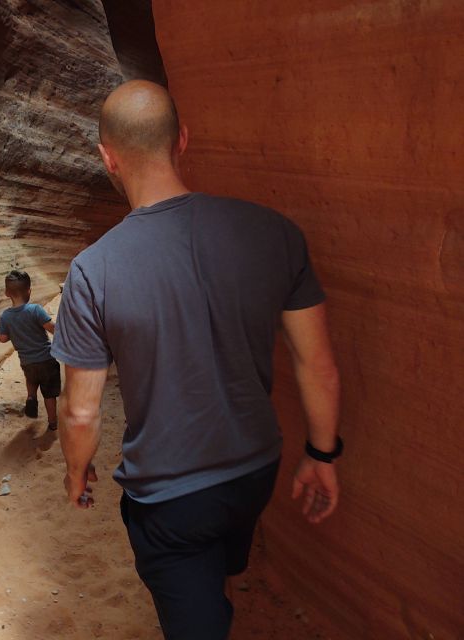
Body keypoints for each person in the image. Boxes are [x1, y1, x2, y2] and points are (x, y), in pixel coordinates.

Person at [50, 80, 342, 640]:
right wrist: (322, 454)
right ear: (182, 140)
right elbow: (317, 364)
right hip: (256, 470)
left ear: (107, 158)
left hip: (169, 498)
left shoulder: (92, 271)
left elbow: (81, 414)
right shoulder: (274, 233)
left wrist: (76, 470)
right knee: (221, 573)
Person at [0, 270, 61, 431]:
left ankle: (31, 396)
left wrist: (15, 331)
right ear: (29, 291)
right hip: (46, 359)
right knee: (49, 393)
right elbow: (52, 328)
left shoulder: (6, 316)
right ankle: (53, 423)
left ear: (7, 293)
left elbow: (3, 338)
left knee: (32, 379)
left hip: (26, 361)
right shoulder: (35, 310)